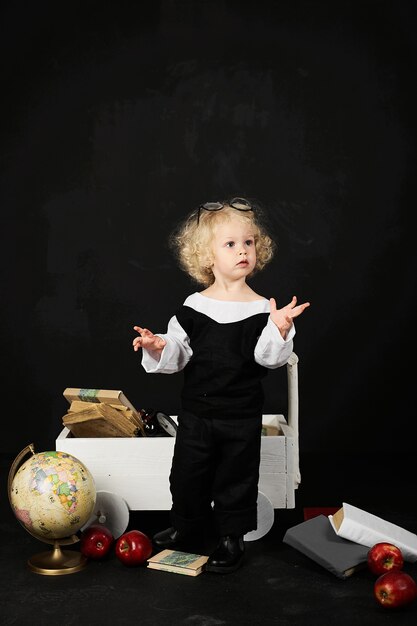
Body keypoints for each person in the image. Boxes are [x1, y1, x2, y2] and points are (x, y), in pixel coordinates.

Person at [132, 197, 310, 573]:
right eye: (230, 244)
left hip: (241, 414)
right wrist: (159, 344)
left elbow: (268, 357)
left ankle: (232, 536)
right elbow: (178, 351)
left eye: (248, 243)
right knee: (187, 473)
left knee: (236, 477)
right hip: (197, 412)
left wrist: (279, 329)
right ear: (206, 256)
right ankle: (186, 528)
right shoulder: (194, 305)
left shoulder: (263, 308)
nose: (242, 251)